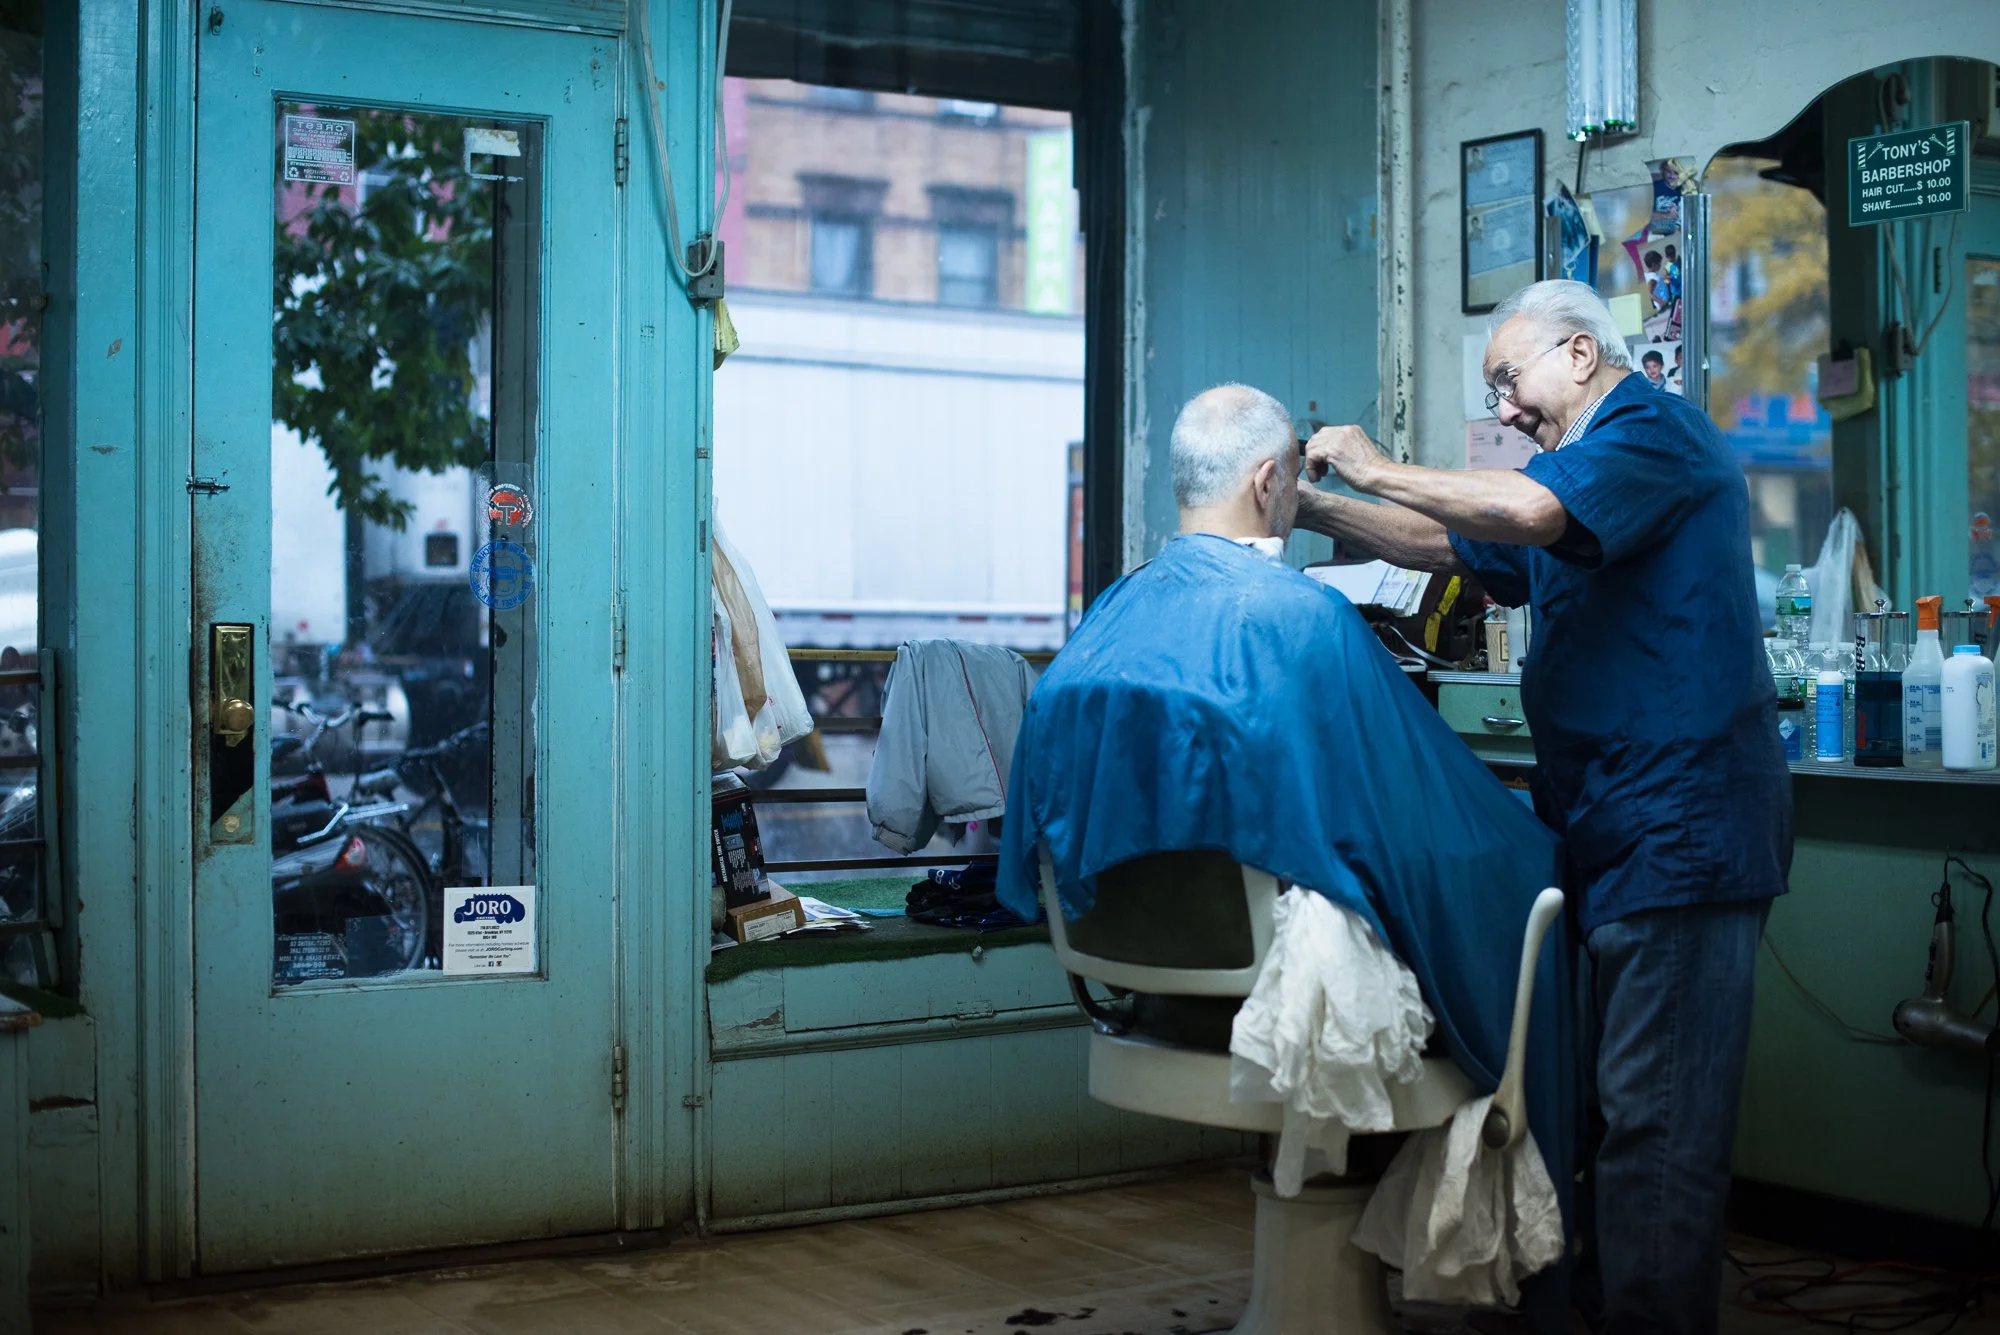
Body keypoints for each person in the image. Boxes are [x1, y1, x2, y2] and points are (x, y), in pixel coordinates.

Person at [996, 384, 1579, 1321]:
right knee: (1535, 883)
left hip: (1146, 988)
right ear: (1272, 481)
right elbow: (1415, 820)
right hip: (1270, 992)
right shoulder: (1300, 620)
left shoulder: (1104, 622)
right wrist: (1537, 854)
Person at [1295, 279, 1792, 1335]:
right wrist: (1309, 509)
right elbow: (1458, 547)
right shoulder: (1574, 478)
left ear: (1577, 354)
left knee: (1654, 1132)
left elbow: (1523, 512)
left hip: (1681, 831)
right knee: (1603, 1110)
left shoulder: (1651, 436)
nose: (1504, 410)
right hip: (1607, 827)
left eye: (1506, 382)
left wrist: (1374, 460)